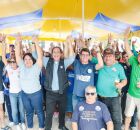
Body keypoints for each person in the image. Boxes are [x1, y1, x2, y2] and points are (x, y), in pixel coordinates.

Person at [43, 36, 75, 130]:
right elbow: (36, 55)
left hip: (62, 92)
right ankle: (47, 128)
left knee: (62, 111)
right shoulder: (47, 61)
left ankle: (61, 126)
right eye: (54, 52)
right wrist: (35, 43)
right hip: (50, 93)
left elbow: (72, 57)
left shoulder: (63, 62)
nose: (56, 53)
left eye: (58, 52)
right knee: (49, 112)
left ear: (61, 54)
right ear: (51, 54)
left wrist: (69, 44)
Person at [15, 34, 44, 130]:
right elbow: (17, 55)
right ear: (23, 61)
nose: (27, 61)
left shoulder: (36, 67)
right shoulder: (22, 66)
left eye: (29, 59)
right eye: (25, 59)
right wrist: (18, 42)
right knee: (29, 112)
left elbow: (40, 56)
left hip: (36, 94)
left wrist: (36, 42)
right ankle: (30, 127)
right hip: (25, 94)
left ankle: (41, 127)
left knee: (39, 111)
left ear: (32, 60)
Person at [97, 48, 127, 130]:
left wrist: (121, 84)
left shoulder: (119, 67)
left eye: (110, 56)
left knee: (116, 119)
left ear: (114, 57)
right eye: (106, 56)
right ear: (103, 57)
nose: (107, 58)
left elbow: (124, 79)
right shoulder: (100, 65)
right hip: (100, 98)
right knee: (101, 119)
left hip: (114, 98)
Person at [2, 36, 25, 130]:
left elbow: (19, 54)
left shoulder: (20, 68)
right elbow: (3, 57)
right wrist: (3, 43)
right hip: (12, 93)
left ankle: (22, 123)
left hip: (21, 92)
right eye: (10, 62)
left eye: (14, 62)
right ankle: (16, 124)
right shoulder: (8, 68)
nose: (12, 63)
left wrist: (18, 42)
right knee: (14, 111)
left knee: (21, 109)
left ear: (17, 62)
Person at [123, 27, 140, 130]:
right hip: (131, 94)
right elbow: (127, 49)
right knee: (128, 115)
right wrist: (125, 37)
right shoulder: (134, 61)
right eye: (139, 55)